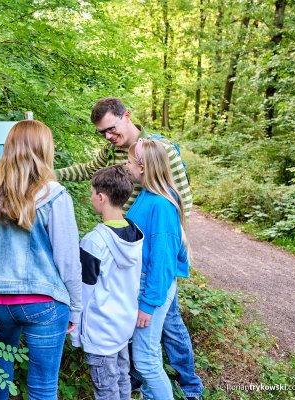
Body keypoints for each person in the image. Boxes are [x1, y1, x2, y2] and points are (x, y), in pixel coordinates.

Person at [56, 97, 204, 399]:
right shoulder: (115, 151)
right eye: (102, 133)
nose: (109, 137)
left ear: (127, 117)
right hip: (133, 254)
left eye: (111, 129)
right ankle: (136, 384)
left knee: (167, 327)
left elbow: (180, 205)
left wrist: (169, 252)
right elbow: (88, 170)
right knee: (143, 334)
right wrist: (50, 175)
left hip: (155, 259)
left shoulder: (159, 151)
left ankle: (190, 388)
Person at [0, 120, 83, 400]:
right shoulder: (54, 194)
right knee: (43, 386)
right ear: (44, 150)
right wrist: (77, 306)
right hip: (43, 302)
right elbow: (68, 259)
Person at [125, 139, 192, 400]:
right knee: (144, 356)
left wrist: (148, 303)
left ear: (143, 167)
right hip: (142, 283)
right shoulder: (145, 195)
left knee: (146, 360)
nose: (126, 166)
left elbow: (163, 262)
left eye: (130, 162)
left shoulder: (162, 205)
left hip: (151, 286)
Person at [71, 166, 144, 400]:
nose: (91, 197)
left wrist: (75, 331)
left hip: (101, 330)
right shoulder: (135, 233)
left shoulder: (94, 242)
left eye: (92, 193)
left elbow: (84, 291)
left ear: (101, 197)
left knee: (106, 390)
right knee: (122, 379)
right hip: (123, 326)